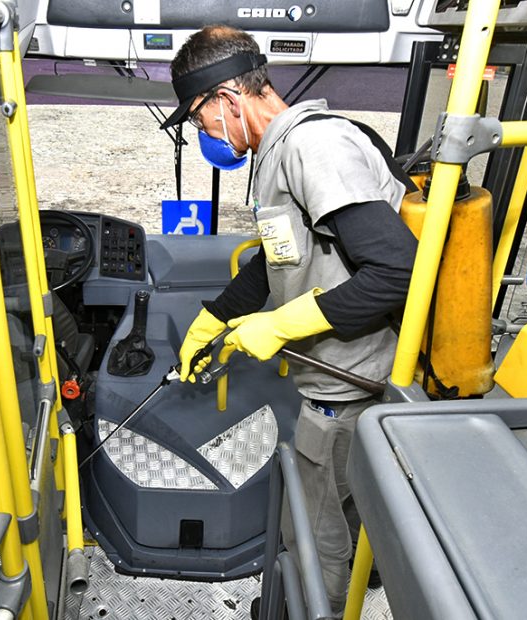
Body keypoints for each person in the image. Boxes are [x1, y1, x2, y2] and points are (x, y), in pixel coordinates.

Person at [162, 25, 418, 616]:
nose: (206, 136)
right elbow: (277, 257)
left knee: (312, 531)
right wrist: (211, 321)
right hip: (340, 380)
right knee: (336, 516)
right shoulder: (280, 149)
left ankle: (309, 609)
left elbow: (396, 271)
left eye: (200, 121)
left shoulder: (313, 148)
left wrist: (280, 326)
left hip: (347, 388)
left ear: (226, 99)